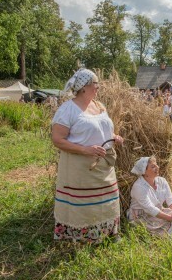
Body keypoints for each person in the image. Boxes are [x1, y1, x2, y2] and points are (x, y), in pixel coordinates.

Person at [51, 68, 124, 243]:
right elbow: (57, 139)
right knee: (82, 204)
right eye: (95, 84)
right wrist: (86, 150)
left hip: (104, 164)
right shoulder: (68, 109)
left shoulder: (99, 106)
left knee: (107, 200)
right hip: (80, 168)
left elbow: (105, 131)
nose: (98, 87)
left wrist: (115, 137)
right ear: (84, 87)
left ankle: (108, 233)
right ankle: (81, 237)